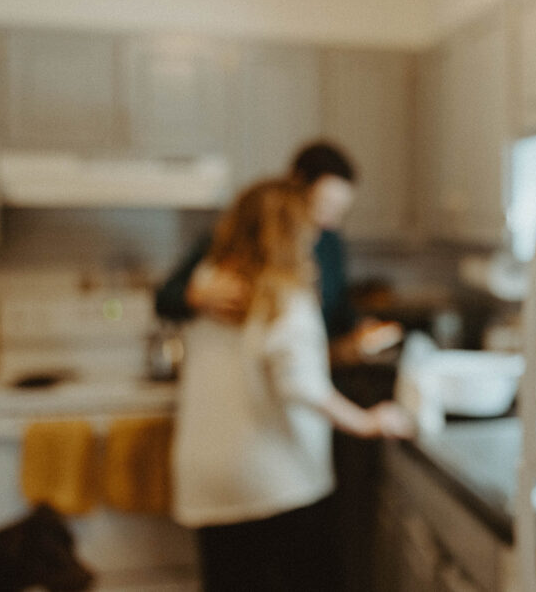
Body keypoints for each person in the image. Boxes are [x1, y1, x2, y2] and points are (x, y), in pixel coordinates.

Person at [171, 178, 413, 591]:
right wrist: (368, 421)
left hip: (206, 473)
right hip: (272, 478)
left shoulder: (209, 280)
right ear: (289, 231)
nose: (317, 233)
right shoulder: (284, 292)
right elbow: (299, 384)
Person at [155, 139, 400, 364]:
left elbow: (336, 307)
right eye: (325, 206)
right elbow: (165, 298)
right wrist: (195, 296)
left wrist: (359, 329)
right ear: (295, 189)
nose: (331, 222)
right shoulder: (239, 240)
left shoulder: (330, 242)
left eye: (340, 211)